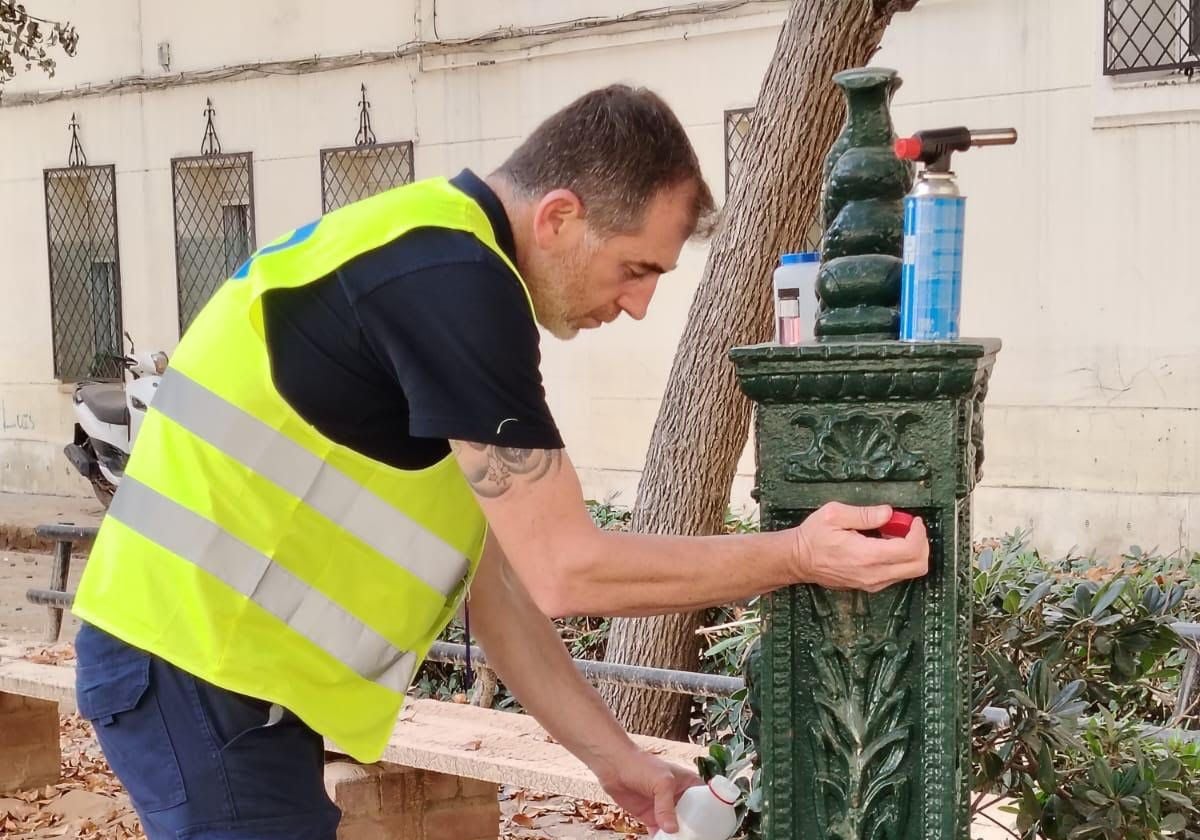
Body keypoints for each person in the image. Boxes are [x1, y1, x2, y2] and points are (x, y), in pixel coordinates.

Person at [70, 84, 929, 839]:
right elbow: (568, 569)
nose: (637, 306)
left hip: (211, 671)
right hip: (195, 667)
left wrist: (616, 762)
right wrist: (796, 556)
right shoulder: (453, 280)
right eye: (636, 269)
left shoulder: (429, 260)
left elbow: (505, 586)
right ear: (559, 216)